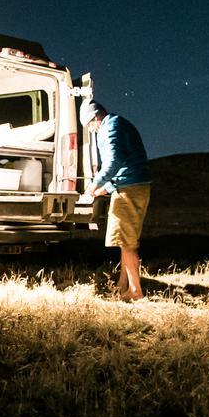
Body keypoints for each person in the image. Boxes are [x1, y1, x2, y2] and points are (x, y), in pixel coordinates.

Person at [79, 100, 151, 300]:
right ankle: (122, 284)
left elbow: (113, 161)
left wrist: (94, 184)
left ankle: (135, 291)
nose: (91, 130)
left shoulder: (110, 127)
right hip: (131, 186)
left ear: (95, 117)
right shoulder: (118, 123)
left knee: (127, 242)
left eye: (89, 125)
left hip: (130, 190)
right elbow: (126, 163)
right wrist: (106, 189)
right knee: (124, 240)